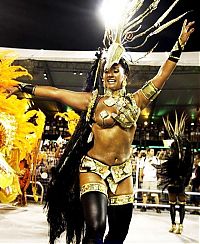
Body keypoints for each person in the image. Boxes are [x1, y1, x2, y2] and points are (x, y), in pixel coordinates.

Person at [5, 17, 194, 244]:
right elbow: (55, 92)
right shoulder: (92, 101)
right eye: (106, 71)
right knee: (96, 228)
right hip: (93, 168)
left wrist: (179, 44)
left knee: (117, 236)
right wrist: (22, 87)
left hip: (123, 173)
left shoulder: (137, 101)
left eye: (116, 70)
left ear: (126, 75)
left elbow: (162, 75)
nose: (110, 74)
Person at [157, 113, 193, 235]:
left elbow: (168, 165)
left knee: (173, 203)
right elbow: (189, 165)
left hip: (173, 181)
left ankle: (174, 225)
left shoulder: (175, 148)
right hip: (180, 181)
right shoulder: (186, 147)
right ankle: (180, 226)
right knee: (180, 203)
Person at [139, 148, 161, 213]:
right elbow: (141, 168)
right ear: (148, 152)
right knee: (145, 193)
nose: (153, 152)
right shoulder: (144, 159)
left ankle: (157, 207)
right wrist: (140, 177)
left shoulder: (156, 159)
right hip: (146, 178)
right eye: (151, 151)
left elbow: (159, 169)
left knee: (155, 194)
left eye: (153, 151)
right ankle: (144, 206)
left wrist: (159, 177)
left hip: (153, 179)